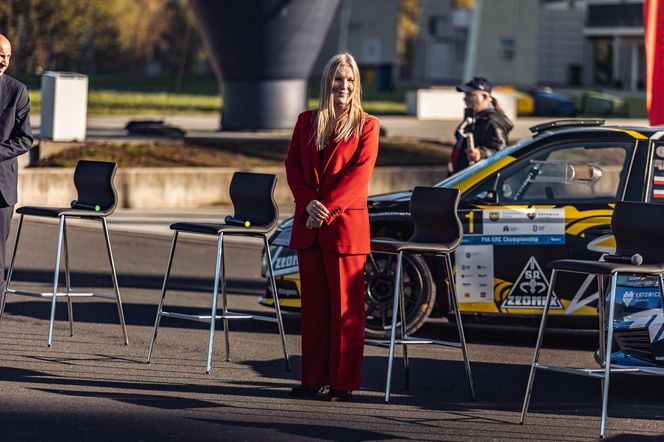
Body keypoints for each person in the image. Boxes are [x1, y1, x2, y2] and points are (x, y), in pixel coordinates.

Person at [284, 53, 379, 402]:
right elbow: (292, 166)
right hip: (310, 227)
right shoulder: (306, 121)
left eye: (350, 81)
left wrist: (323, 210)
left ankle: (342, 383)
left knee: (345, 312)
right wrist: (308, 202)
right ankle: (313, 379)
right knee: (315, 311)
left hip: (344, 230)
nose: (344, 86)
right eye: (338, 79)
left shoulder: (367, 125)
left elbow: (359, 176)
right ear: (327, 83)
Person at [0, 34, 33, 297]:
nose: (4, 60)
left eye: (8, 55)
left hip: (1, 189)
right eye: (0, 54)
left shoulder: (17, 91)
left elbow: (25, 139)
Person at [448, 76, 513, 175]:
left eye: (470, 94)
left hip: (477, 180)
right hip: (462, 176)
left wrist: (480, 153)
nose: (465, 98)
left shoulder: (492, 121)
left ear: (485, 97)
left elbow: (501, 152)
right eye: (465, 94)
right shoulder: (474, 118)